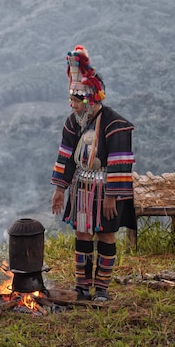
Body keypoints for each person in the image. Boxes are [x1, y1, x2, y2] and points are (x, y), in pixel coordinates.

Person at [51, 45, 136, 301]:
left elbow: (121, 162)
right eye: (72, 100)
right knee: (82, 233)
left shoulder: (116, 124)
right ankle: (81, 287)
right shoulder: (72, 122)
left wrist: (112, 196)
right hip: (82, 186)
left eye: (76, 101)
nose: (73, 105)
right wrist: (59, 190)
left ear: (91, 100)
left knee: (107, 234)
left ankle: (101, 288)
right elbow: (66, 155)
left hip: (107, 188)